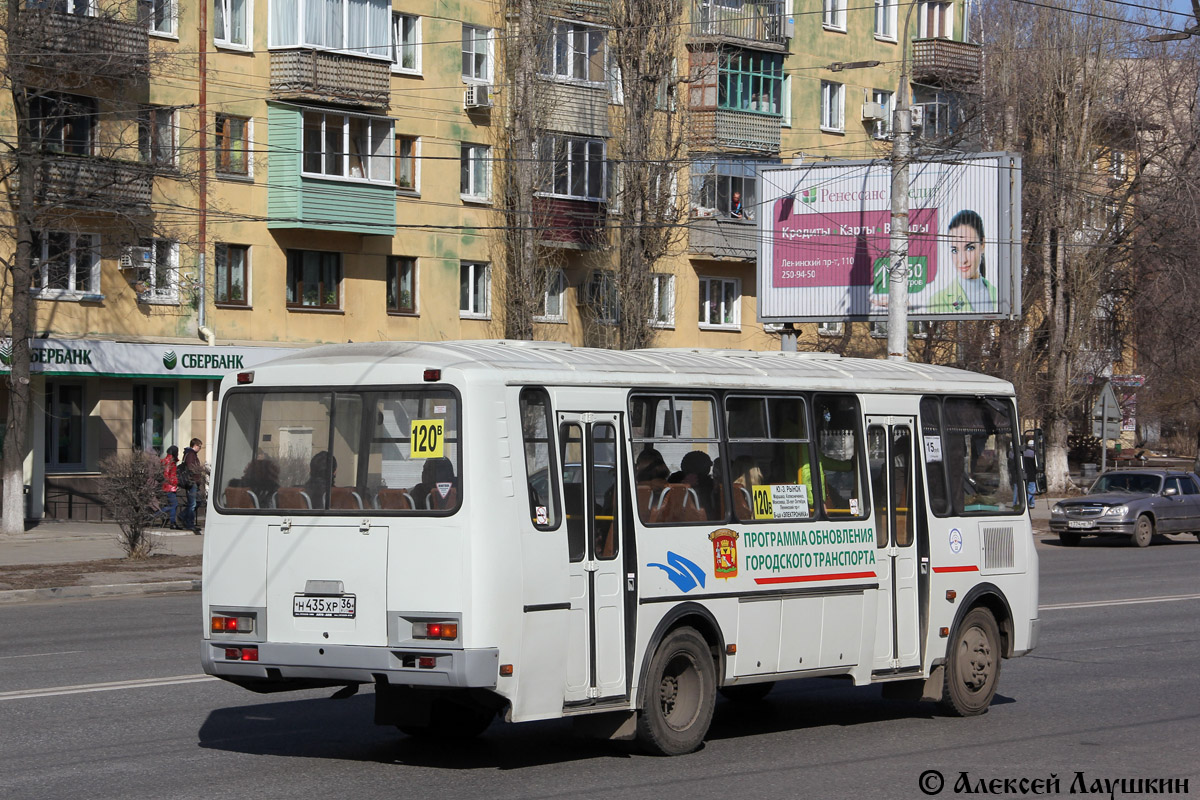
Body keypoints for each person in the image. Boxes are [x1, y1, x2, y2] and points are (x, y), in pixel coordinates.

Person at [928, 209, 998, 313]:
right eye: (955, 250)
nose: (962, 260)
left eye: (969, 248)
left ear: (982, 244)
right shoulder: (937, 302)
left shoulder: (998, 295)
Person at [180, 438, 204, 534]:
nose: (200, 448)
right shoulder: (190, 454)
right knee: (193, 503)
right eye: (199, 446)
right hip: (191, 481)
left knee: (197, 502)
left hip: (193, 481)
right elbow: (191, 467)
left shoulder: (191, 454)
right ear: (195, 445)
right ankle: (189, 523)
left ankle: (183, 515)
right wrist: (196, 473)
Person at [160, 445, 179, 529]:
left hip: (170, 486)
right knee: (173, 504)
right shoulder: (169, 461)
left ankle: (172, 522)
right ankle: (172, 522)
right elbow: (167, 475)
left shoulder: (171, 460)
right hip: (169, 486)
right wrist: (174, 483)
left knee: (173, 505)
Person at [1023, 440, 1038, 509]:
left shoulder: (1023, 453)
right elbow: (1036, 465)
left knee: (1028, 488)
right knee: (1032, 489)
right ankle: (1026, 502)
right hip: (1032, 474)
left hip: (1024, 474)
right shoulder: (1033, 454)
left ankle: (1032, 504)